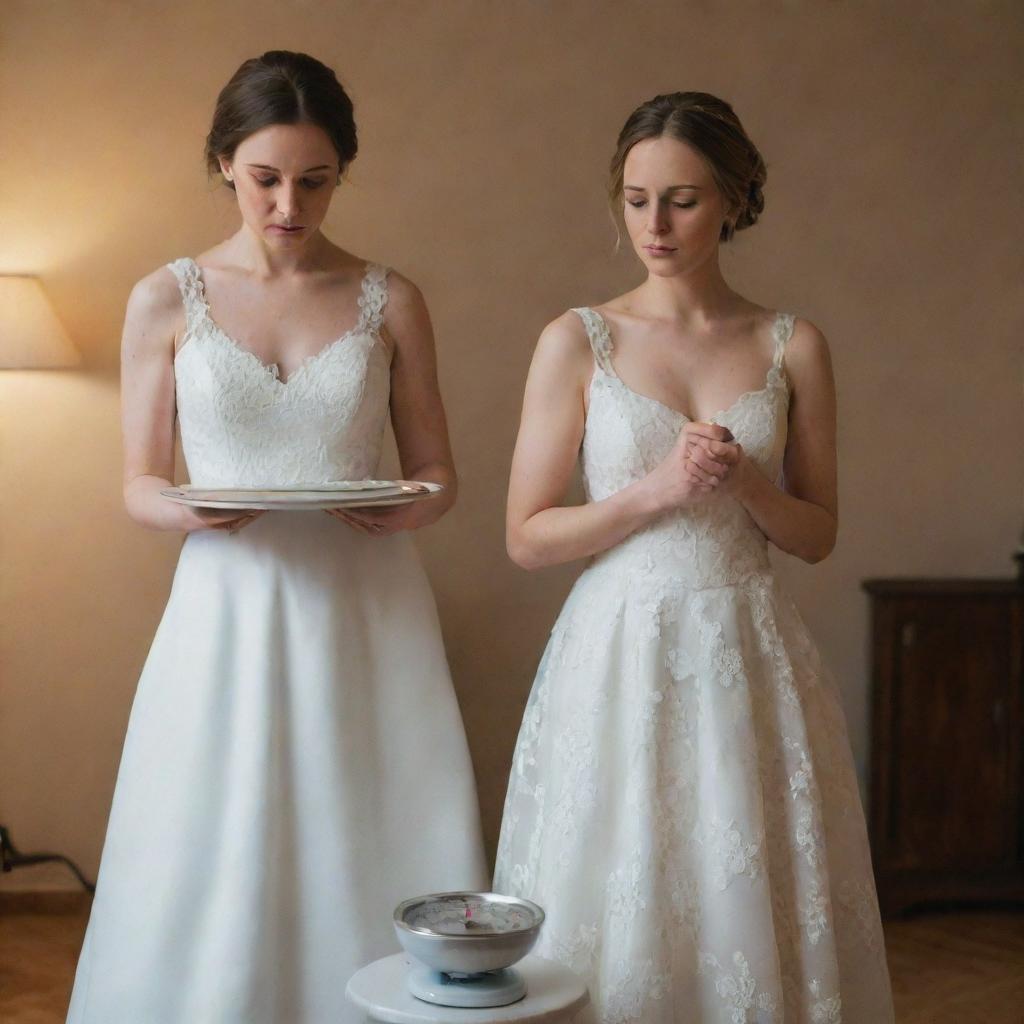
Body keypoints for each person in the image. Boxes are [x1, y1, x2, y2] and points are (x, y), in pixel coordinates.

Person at [67, 50, 486, 1023]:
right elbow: (138, 481)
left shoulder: (393, 298)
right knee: (217, 825)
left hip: (366, 598)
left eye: (315, 180)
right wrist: (191, 507)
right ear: (223, 163)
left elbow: (440, 474)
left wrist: (407, 503)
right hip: (228, 598)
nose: (289, 205)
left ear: (343, 171)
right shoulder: (164, 299)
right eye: (265, 179)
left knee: (363, 814)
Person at [493, 92, 893, 1023]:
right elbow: (525, 536)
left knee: (738, 887)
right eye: (636, 199)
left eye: (681, 199)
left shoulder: (792, 345)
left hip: (746, 650)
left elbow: (817, 533)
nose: (655, 225)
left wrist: (747, 484)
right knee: (624, 886)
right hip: (618, 647)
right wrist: (654, 493)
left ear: (735, 199)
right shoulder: (577, 340)